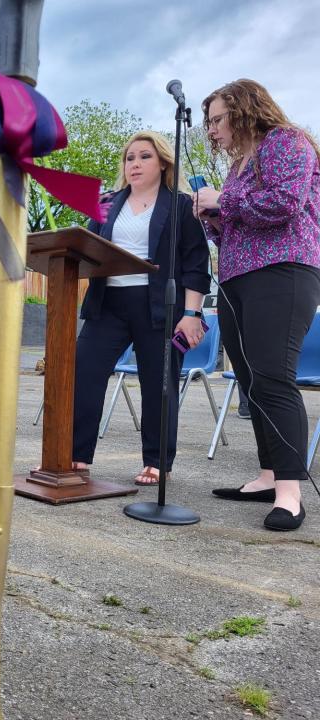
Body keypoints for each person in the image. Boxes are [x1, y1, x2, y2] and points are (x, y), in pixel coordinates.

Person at [195, 79, 320, 531]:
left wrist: (222, 200)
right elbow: (234, 228)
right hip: (236, 278)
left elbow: (284, 203)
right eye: (209, 121)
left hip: (282, 270)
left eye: (217, 119)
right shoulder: (238, 167)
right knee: (251, 380)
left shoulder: (287, 141)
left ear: (245, 109)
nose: (211, 130)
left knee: (272, 376)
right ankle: (269, 476)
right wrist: (212, 217)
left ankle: (290, 493)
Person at [73, 130, 210, 486]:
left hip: (160, 305)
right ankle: (75, 454)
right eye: (129, 157)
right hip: (108, 304)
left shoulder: (182, 206)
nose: (134, 163)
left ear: (163, 162)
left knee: (158, 383)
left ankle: (156, 460)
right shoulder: (107, 202)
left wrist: (192, 314)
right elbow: (85, 251)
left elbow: (196, 264)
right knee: (84, 372)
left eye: (144, 156)